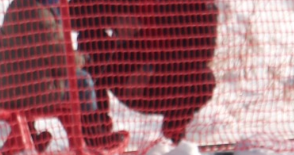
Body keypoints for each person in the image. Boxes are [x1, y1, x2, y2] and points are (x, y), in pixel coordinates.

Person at [71, 0, 218, 145]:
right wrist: (117, 19)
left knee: (204, 79)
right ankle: (97, 129)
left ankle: (175, 129)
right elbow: (71, 16)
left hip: (169, 83)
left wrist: (150, 66)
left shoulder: (198, 6)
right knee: (91, 38)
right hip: (125, 76)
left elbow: (203, 55)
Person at [0, 0, 127, 151]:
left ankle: (29, 136)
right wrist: (83, 59)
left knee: (29, 76)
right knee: (83, 80)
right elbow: (61, 59)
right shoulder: (42, 15)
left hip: (2, 91)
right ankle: (95, 135)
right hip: (34, 92)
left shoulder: (17, 8)